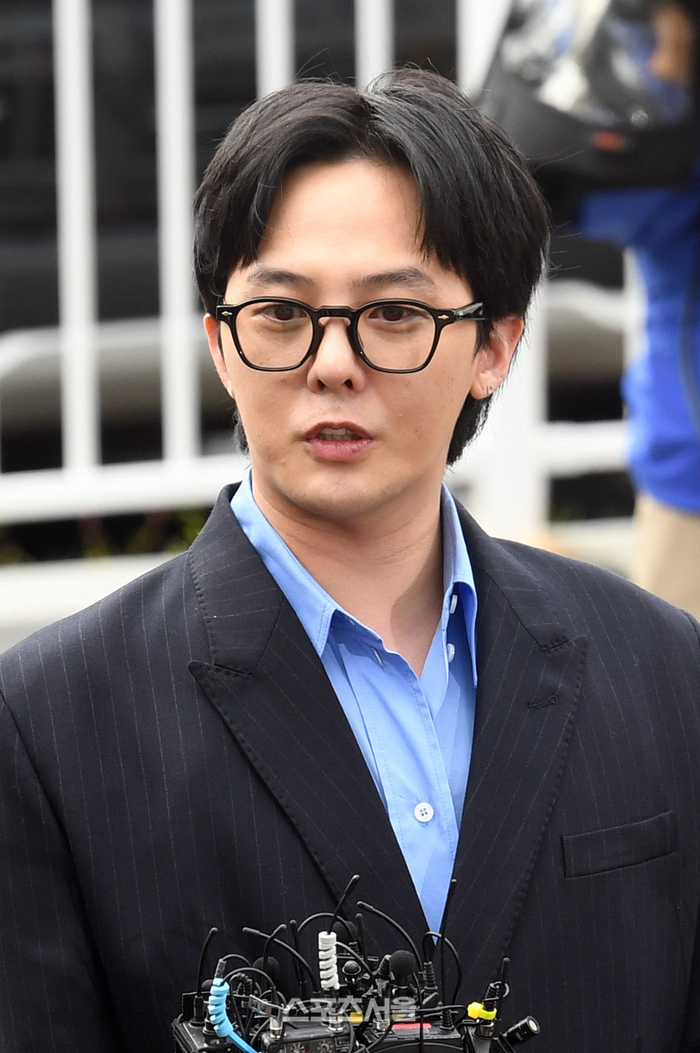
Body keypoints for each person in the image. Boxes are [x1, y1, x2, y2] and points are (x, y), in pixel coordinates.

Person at [0, 70, 699, 1053]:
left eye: (395, 314)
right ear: (220, 343)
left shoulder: (663, 668)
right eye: (281, 314)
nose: (333, 363)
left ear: (494, 346)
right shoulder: (50, 724)